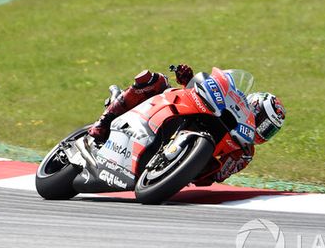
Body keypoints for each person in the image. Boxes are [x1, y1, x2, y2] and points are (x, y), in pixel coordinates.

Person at [87, 64, 286, 184]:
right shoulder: (234, 102)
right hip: (172, 107)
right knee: (155, 81)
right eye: (262, 121)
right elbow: (201, 92)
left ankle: (164, 164)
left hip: (188, 163)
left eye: (269, 130)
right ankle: (104, 121)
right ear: (254, 106)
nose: (262, 130)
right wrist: (187, 79)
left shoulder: (245, 152)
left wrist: (200, 166)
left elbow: (218, 176)